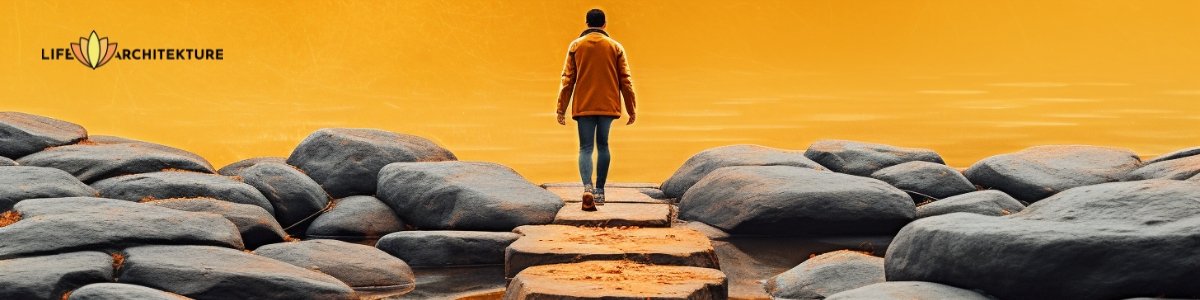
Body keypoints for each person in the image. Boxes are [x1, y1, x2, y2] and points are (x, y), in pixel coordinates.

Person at [556, 8, 637, 211]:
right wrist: (631, 108)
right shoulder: (615, 47)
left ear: (586, 23)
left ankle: (587, 188)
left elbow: (567, 80)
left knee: (585, 148)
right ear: (604, 24)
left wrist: (560, 109)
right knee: (603, 145)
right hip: (608, 105)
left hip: (584, 105)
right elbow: (625, 81)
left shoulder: (576, 46)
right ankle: (600, 191)